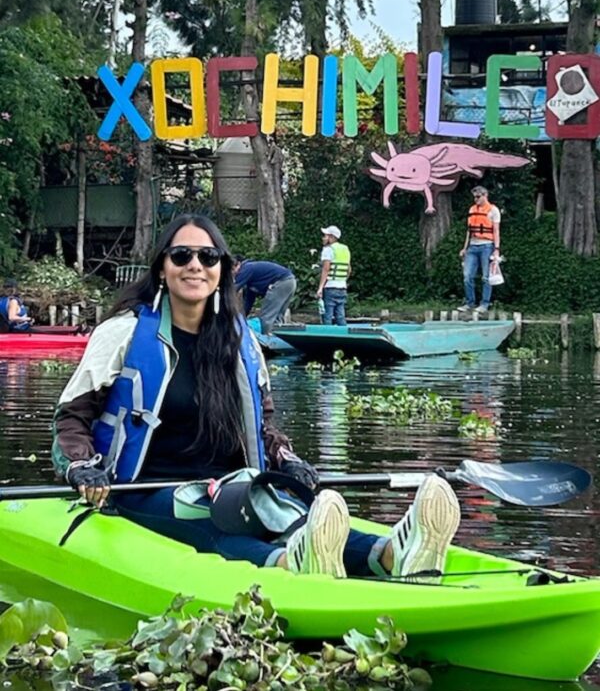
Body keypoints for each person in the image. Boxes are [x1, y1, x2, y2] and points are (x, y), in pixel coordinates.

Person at [52, 213, 460, 580]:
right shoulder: (123, 332)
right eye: (181, 256)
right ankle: (288, 564)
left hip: (229, 485)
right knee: (212, 519)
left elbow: (263, 426)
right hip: (141, 490)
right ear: (162, 267)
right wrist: (82, 467)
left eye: (208, 257)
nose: (195, 265)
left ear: (221, 271)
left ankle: (389, 554)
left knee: (279, 509)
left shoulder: (241, 340)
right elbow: (71, 418)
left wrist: (287, 458)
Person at [458, 186, 501, 315]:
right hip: (472, 246)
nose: (475, 199)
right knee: (467, 276)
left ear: (485, 195)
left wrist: (496, 249)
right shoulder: (472, 209)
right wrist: (465, 248)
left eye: (478, 197)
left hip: (487, 246)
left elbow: (496, 231)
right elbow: (469, 231)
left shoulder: (493, 210)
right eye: (474, 197)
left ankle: (484, 304)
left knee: (486, 277)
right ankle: (470, 303)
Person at [232, 256, 297, 335]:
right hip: (291, 281)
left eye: (232, 270)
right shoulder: (252, 279)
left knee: (267, 316)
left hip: (281, 282)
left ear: (238, 264)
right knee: (277, 317)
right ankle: (278, 337)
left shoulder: (246, 268)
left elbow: (233, 289)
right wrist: (242, 319)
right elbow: (248, 302)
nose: (233, 273)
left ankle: (267, 338)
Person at [317, 225, 351, 326]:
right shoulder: (345, 249)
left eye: (325, 236)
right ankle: (344, 333)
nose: (323, 238)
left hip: (330, 287)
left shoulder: (328, 249)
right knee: (340, 316)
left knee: (327, 316)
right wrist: (343, 281)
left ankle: (327, 334)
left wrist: (320, 288)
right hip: (342, 288)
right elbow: (349, 270)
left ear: (332, 237)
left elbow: (326, 269)